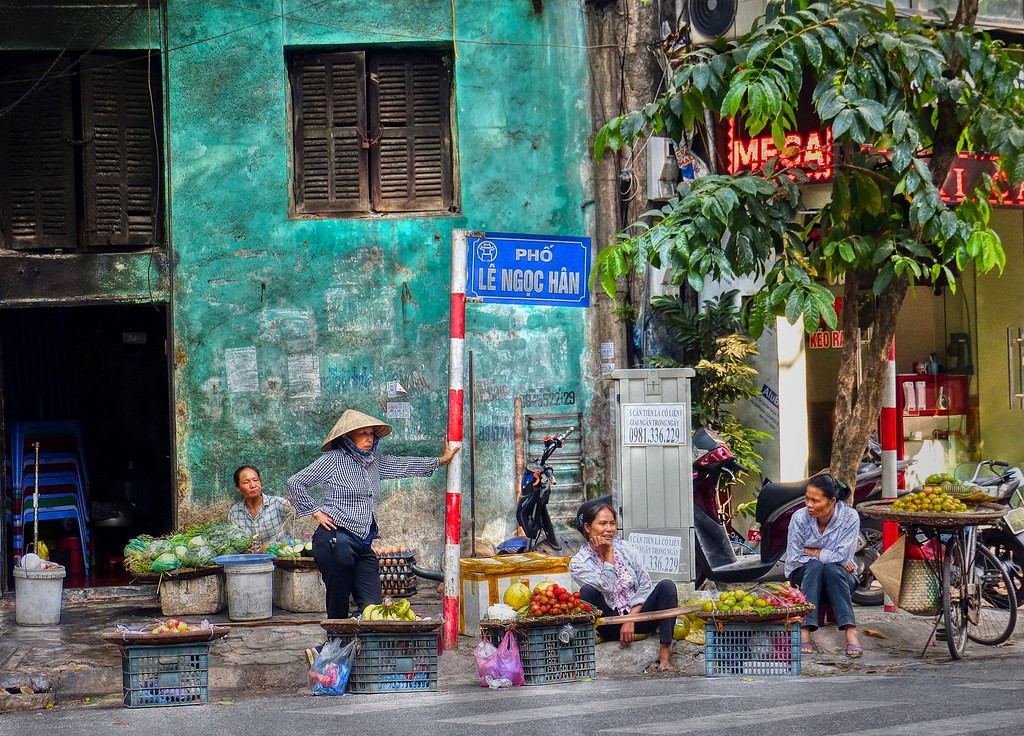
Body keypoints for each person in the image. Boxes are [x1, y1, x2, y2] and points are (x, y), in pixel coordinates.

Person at [288, 409, 458, 620]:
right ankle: (337, 640)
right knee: (338, 599)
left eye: (371, 434)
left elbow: (404, 465)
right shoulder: (333, 460)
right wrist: (315, 512)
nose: (369, 438)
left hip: (362, 542)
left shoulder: (374, 463)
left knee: (373, 607)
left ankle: (361, 642)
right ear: (347, 438)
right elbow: (296, 482)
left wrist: (442, 460)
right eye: (362, 434)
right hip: (335, 538)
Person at [569, 500, 678, 672]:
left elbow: (644, 585)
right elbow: (608, 587)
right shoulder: (579, 563)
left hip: (638, 619)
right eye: (602, 523)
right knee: (586, 592)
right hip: (609, 624)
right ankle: (584, 656)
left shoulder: (626, 549)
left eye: (612, 523)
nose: (609, 529)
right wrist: (608, 554)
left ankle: (665, 651)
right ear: (588, 528)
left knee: (667, 586)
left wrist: (631, 618)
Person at [785, 473, 863, 657]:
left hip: (839, 579)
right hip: (802, 577)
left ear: (832, 501)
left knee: (831, 569)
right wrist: (827, 557)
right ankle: (805, 629)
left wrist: (811, 550)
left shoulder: (850, 517)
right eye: (807, 499)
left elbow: (843, 557)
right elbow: (794, 556)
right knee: (816, 567)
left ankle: (850, 630)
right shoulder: (799, 518)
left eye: (815, 500)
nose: (809, 505)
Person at [226, 465, 294, 546]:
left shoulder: (277, 503)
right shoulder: (235, 512)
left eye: (255, 480)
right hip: (249, 558)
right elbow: (233, 542)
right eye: (246, 482)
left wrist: (295, 503)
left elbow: (297, 512)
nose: (253, 485)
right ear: (238, 488)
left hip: (277, 557)